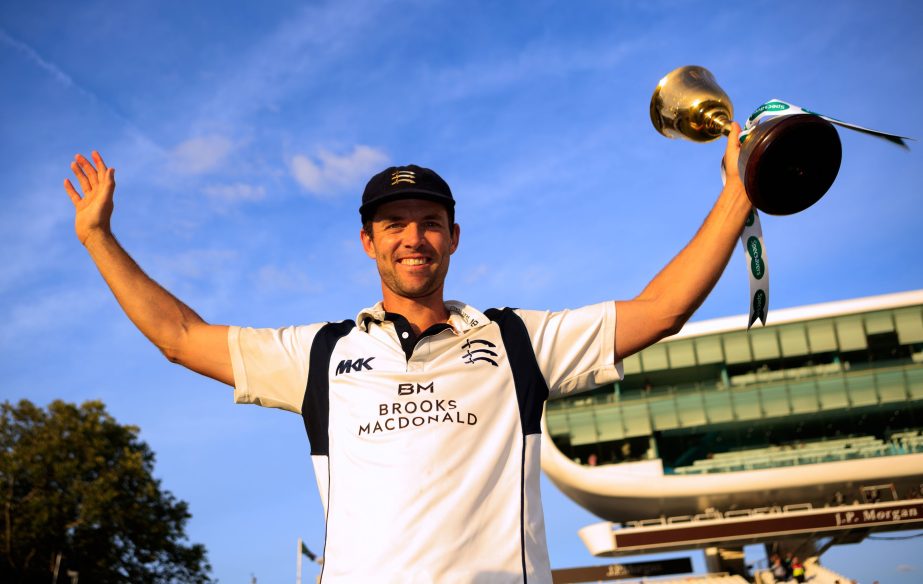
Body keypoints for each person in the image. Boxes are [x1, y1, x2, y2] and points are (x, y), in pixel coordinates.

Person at [64, 124, 751, 583]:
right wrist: (98, 238)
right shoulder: (321, 353)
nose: (412, 239)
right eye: (394, 225)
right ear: (368, 242)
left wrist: (736, 193)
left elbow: (662, 310)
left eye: (429, 225)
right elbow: (180, 339)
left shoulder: (517, 341)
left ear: (454, 237)